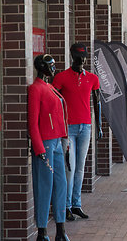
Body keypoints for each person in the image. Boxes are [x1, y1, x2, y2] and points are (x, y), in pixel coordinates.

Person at [52, 43, 102, 221]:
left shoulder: (93, 78)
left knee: (80, 168)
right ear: (72, 56)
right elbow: (54, 103)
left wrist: (99, 125)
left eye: (84, 56)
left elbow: (97, 103)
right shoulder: (61, 77)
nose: (82, 59)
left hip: (85, 127)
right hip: (68, 129)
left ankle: (76, 204)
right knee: (69, 168)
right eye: (78, 56)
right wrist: (57, 126)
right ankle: (65, 206)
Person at [28, 54, 70, 241]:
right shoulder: (36, 89)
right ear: (41, 67)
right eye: (51, 65)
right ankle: (42, 231)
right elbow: (33, 122)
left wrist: (64, 140)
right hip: (45, 143)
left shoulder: (50, 87)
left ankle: (60, 229)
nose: (54, 68)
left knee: (61, 184)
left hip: (57, 142)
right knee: (44, 186)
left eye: (54, 65)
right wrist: (39, 148)